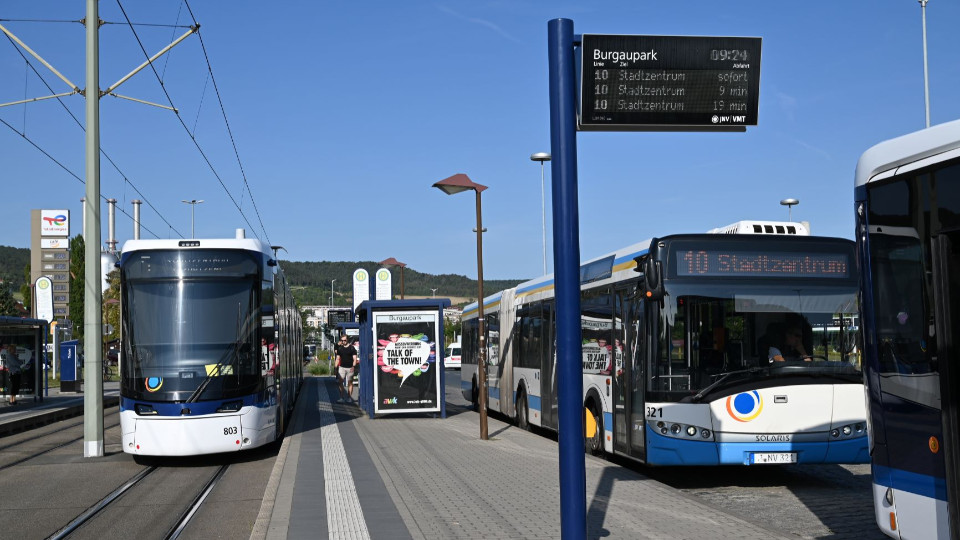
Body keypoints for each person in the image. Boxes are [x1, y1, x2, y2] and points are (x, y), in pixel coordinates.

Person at [334, 336, 359, 403]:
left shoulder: (352, 348)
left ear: (347, 340)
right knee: (340, 382)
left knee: (350, 383)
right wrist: (335, 367)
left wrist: (353, 366)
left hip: (350, 367)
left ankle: (349, 397)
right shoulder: (340, 348)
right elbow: (338, 358)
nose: (343, 342)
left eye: (344, 340)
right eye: (342, 340)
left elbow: (354, 359)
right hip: (342, 367)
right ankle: (341, 397)